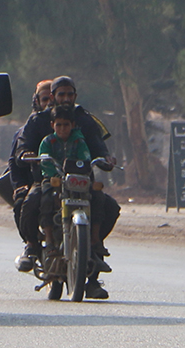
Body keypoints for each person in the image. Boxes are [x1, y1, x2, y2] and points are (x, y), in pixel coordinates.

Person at [14, 76, 120, 295]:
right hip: (47, 179)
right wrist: (26, 154)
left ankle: (93, 262)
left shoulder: (85, 120)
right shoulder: (38, 121)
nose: (66, 99)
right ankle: (32, 247)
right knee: (31, 202)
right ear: (52, 97)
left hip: (80, 180)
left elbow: (98, 146)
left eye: (69, 94)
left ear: (75, 96)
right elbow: (22, 146)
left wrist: (106, 159)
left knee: (109, 207)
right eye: (61, 94)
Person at [9, 80, 52, 272]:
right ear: (37, 101)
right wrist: (20, 185)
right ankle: (31, 244)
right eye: (45, 99)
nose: (50, 103)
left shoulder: (77, 119)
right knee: (23, 203)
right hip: (37, 180)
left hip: (70, 181)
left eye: (55, 98)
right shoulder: (30, 126)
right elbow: (16, 160)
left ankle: (93, 253)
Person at [37, 104, 92, 253]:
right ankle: (48, 239)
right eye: (58, 125)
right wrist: (55, 175)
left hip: (76, 181)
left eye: (66, 125)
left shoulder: (79, 142)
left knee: (97, 199)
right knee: (46, 199)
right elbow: (45, 162)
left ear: (72, 125)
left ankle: (95, 242)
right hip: (54, 180)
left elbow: (85, 158)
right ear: (52, 125)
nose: (62, 128)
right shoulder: (48, 142)